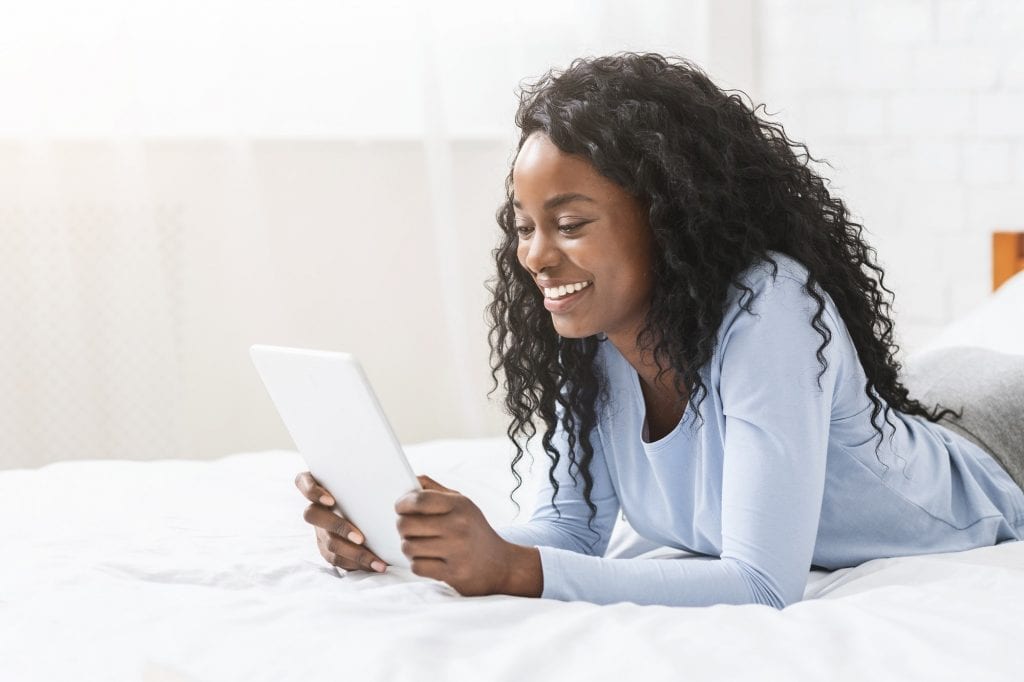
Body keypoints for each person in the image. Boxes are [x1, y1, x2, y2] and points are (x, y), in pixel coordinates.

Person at [295, 52, 1024, 608]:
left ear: (668, 217)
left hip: (996, 435)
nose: (537, 256)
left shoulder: (766, 306)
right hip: (928, 405)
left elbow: (764, 585)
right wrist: (425, 542)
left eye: (571, 224)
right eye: (523, 228)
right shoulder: (591, 333)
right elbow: (571, 532)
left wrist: (517, 571)